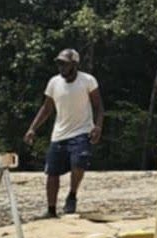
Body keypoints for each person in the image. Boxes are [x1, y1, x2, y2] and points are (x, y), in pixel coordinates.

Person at [23, 48, 103, 218]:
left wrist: (98, 127)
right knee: (52, 173)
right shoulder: (54, 82)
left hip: (82, 130)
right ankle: (51, 210)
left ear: (74, 65)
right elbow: (46, 108)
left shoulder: (88, 81)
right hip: (59, 133)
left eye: (64, 64)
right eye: (59, 64)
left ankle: (72, 195)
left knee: (79, 163)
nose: (61, 67)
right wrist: (32, 128)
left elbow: (98, 107)